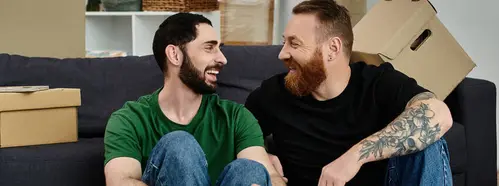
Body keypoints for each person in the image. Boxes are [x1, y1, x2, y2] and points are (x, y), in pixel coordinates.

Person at [245, 0, 454, 186]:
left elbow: (439, 114)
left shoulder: (377, 83)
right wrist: (263, 158)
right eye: (284, 42)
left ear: (333, 48)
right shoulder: (274, 93)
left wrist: (354, 157)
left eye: (294, 43)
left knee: (427, 141)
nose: (282, 54)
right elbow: (236, 135)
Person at [103, 13, 287, 186]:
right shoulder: (129, 119)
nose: (222, 59)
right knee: (180, 145)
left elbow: (270, 176)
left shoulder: (236, 117)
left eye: (219, 49)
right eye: (209, 48)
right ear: (175, 55)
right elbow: (120, 181)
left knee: (250, 169)